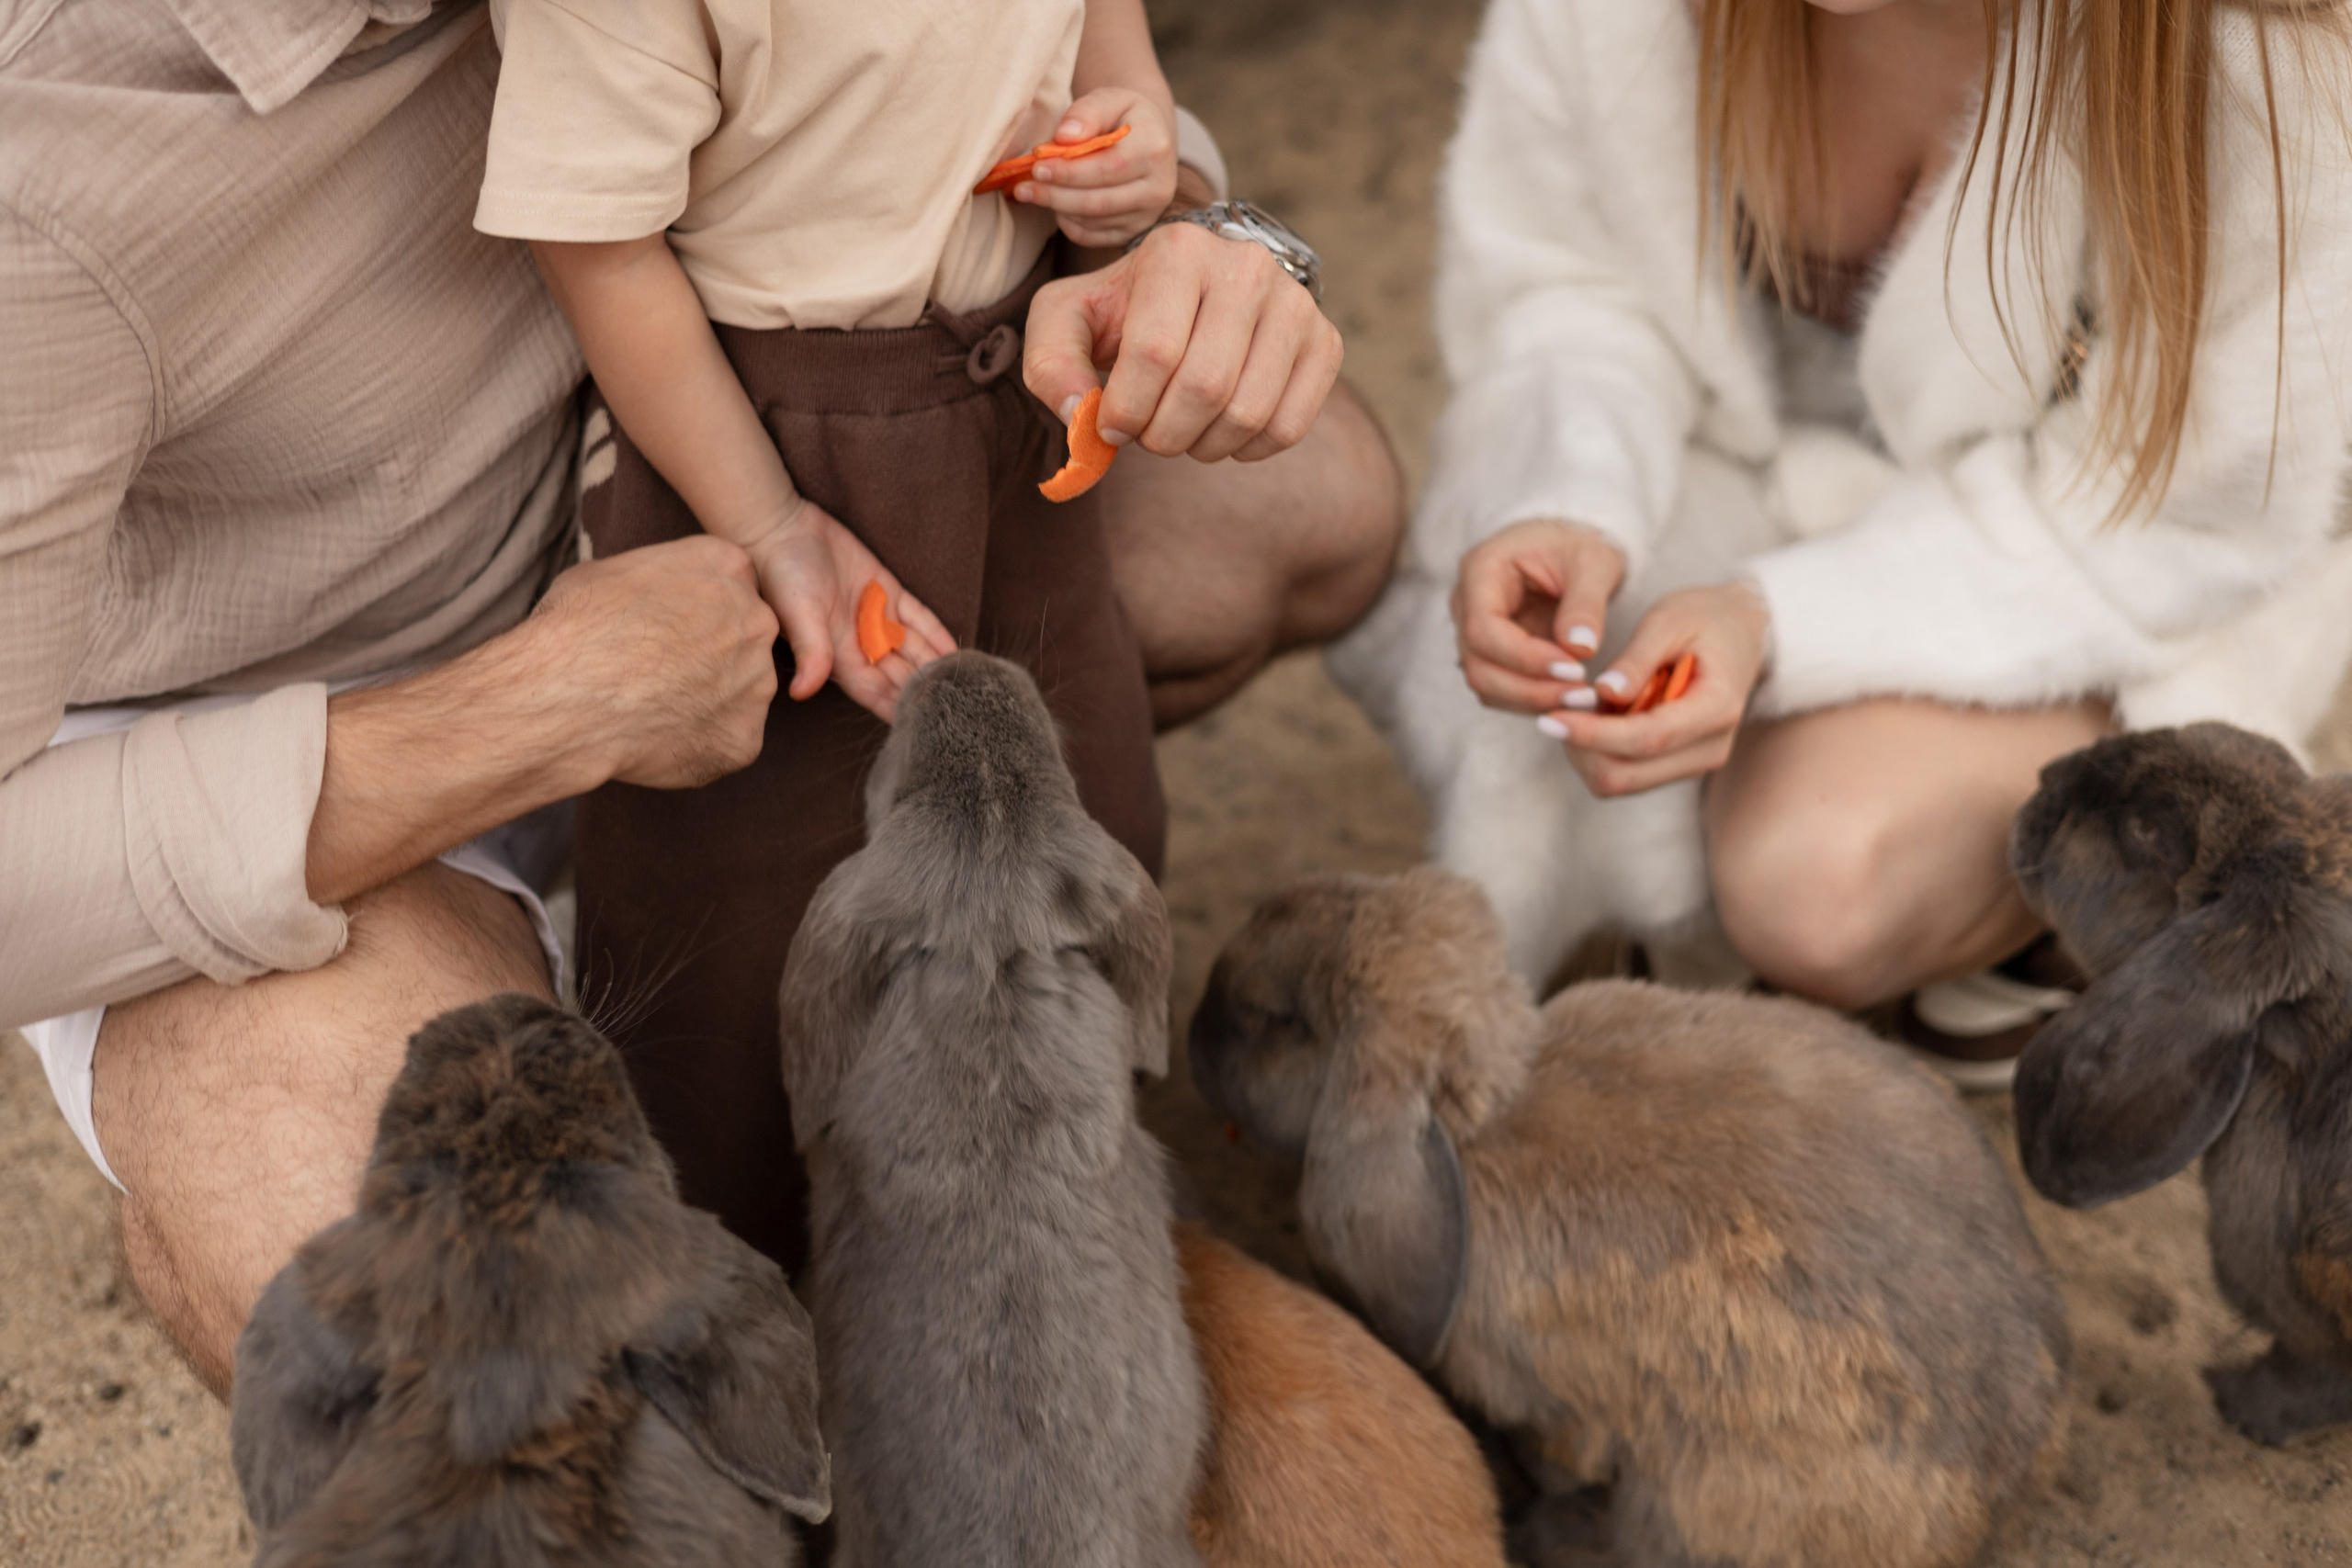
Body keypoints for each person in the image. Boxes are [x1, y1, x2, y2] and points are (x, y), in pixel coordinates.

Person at [0, 0, 1400, 1393]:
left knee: (1296, 501)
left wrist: (1191, 228)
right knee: (457, 1325)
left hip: (783, 505)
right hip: (324, 725)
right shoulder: (37, 183)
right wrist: (530, 711)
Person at [469, 0, 1352, 1264]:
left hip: (1022, 391)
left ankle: (1043, 1196)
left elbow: (1105, 43)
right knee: (741, 904)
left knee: (1084, 789)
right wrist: (768, 524)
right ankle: (741, 1274)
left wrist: (1135, 142)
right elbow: (598, 249)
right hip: (770, 423)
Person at [1334, 0, 2352, 1084]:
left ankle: (2076, 902)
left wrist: (1781, 619)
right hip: (1765, 479)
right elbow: (1567, 284)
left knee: (1813, 884)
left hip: (2121, 561)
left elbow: (2175, 508)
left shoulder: (2247, 58)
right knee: (1549, 696)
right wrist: (1570, 495)